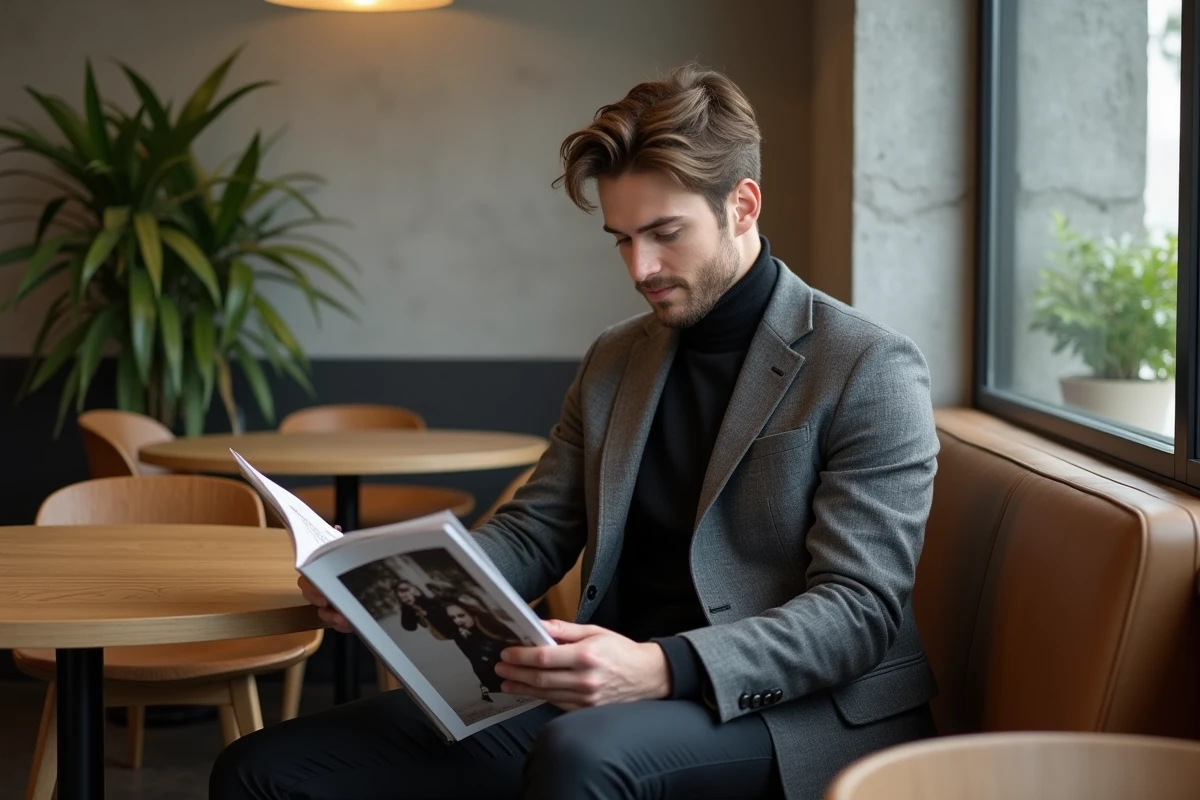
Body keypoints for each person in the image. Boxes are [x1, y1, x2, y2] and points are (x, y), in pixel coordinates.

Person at [211, 62, 940, 800]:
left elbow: (858, 611)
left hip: (791, 712)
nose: (640, 268)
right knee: (260, 769)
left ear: (743, 206)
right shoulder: (616, 358)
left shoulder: (866, 365)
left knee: (581, 756)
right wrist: (388, 585)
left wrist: (662, 666)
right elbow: (535, 533)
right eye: (621, 239)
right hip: (597, 692)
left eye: (664, 233)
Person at [442, 601, 524, 699]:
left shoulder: (491, 628)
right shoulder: (461, 635)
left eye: (461, 615)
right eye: (453, 618)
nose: (458, 621)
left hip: (510, 674)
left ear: (472, 613)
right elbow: (474, 659)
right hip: (490, 680)